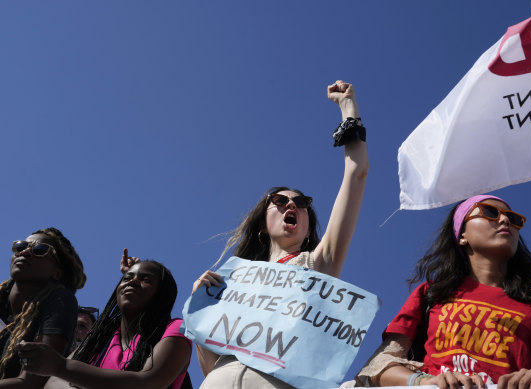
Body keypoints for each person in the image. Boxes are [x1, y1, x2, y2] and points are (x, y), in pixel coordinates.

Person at [192, 80, 368, 388]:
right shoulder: (232, 282)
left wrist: (347, 108)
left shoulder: (316, 267)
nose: (292, 205)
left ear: (309, 226)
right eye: (280, 201)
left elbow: (357, 173)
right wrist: (201, 305)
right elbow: (209, 366)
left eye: (301, 204)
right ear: (263, 222)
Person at [354, 195, 531, 389]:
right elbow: (379, 366)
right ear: (462, 234)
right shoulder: (433, 292)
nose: (504, 220)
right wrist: (426, 381)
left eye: (513, 219)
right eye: (490, 212)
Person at [16, 253, 192, 389]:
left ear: (163, 295)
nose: (132, 282)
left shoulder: (174, 329)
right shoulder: (99, 338)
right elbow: (56, 384)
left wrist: (60, 365)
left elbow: (147, 384)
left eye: (145, 280)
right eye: (127, 278)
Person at [0, 227, 86, 388]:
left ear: (57, 272)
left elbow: (32, 383)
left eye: (40, 250)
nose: (25, 252)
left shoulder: (60, 301)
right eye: (20, 246)